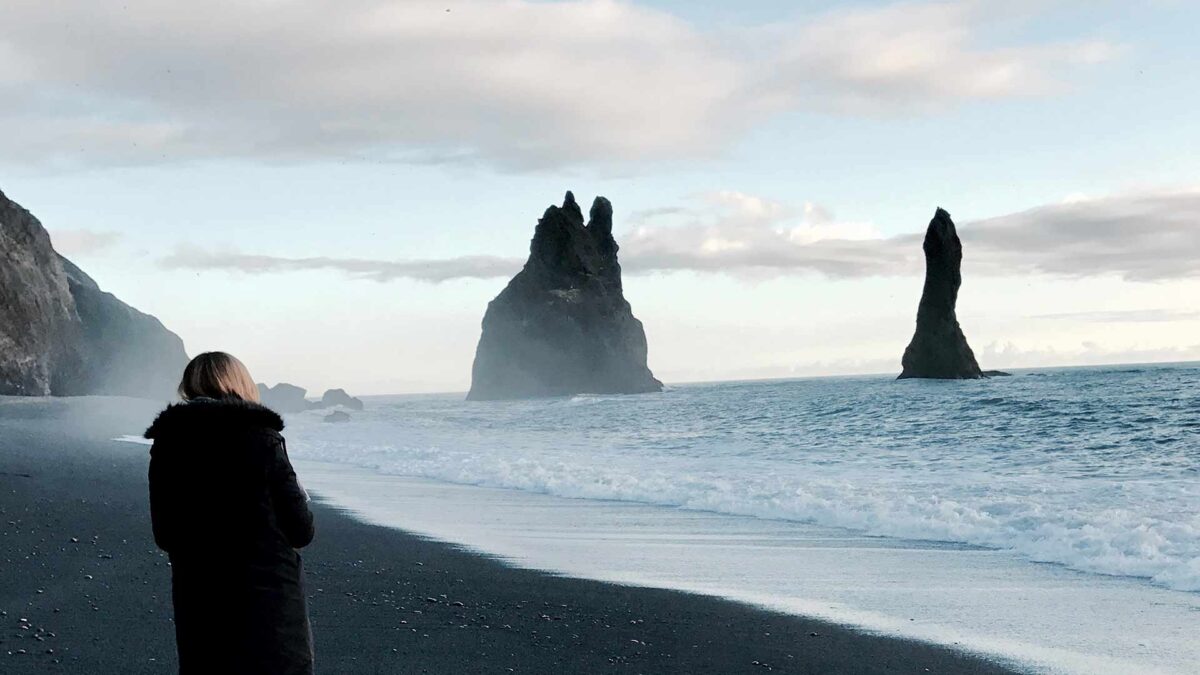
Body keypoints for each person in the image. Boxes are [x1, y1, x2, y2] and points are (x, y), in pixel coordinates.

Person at [145, 351, 315, 674]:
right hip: (269, 608)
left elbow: (164, 534)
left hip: (200, 603)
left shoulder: (167, 446)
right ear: (240, 384)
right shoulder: (262, 439)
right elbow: (301, 530)